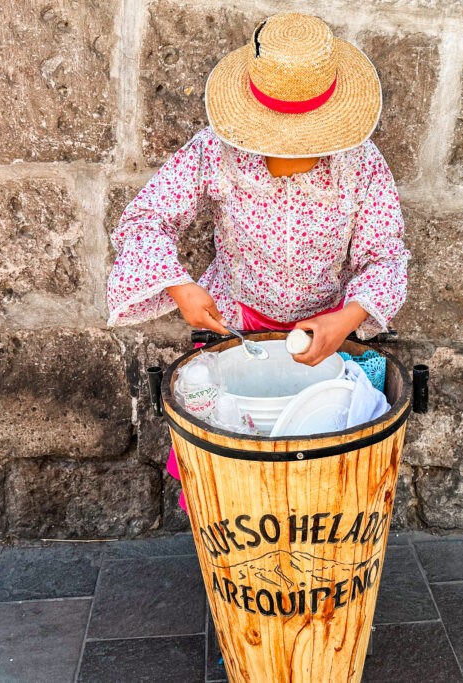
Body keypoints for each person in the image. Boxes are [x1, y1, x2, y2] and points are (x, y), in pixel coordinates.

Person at [106, 12, 410, 510]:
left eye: (310, 141)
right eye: (277, 140)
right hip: (236, 328)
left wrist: (346, 320)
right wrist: (181, 286)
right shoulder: (215, 152)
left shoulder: (362, 163)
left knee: (315, 488)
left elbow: (386, 258)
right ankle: (244, 571)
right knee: (239, 485)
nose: (292, 154)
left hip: (326, 337)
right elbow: (145, 220)